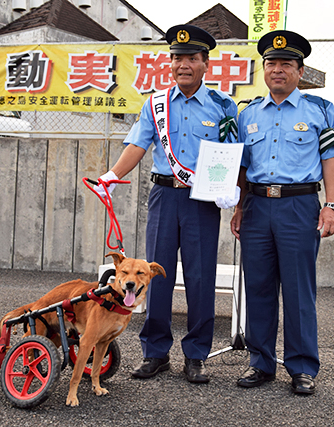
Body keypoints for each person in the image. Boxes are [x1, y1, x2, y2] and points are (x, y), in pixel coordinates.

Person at [94, 24, 238, 384]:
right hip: (163, 196)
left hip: (201, 200)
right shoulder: (155, 104)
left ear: (206, 63)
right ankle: (155, 352)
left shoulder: (223, 106)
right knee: (152, 275)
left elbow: (232, 153)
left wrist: (233, 189)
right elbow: (138, 145)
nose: (182, 64)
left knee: (200, 276)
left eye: (191, 58)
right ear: (169, 63)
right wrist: (112, 175)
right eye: (176, 58)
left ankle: (196, 355)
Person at [229, 30, 334, 395]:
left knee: (298, 291)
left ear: (300, 70)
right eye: (271, 63)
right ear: (264, 69)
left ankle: (302, 367)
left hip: (299, 206)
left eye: (286, 64)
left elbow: (332, 159)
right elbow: (243, 166)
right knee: (258, 288)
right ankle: (260, 363)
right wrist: (239, 207)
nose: (278, 70)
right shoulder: (248, 114)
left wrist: (333, 205)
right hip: (257, 205)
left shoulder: (318, 111)